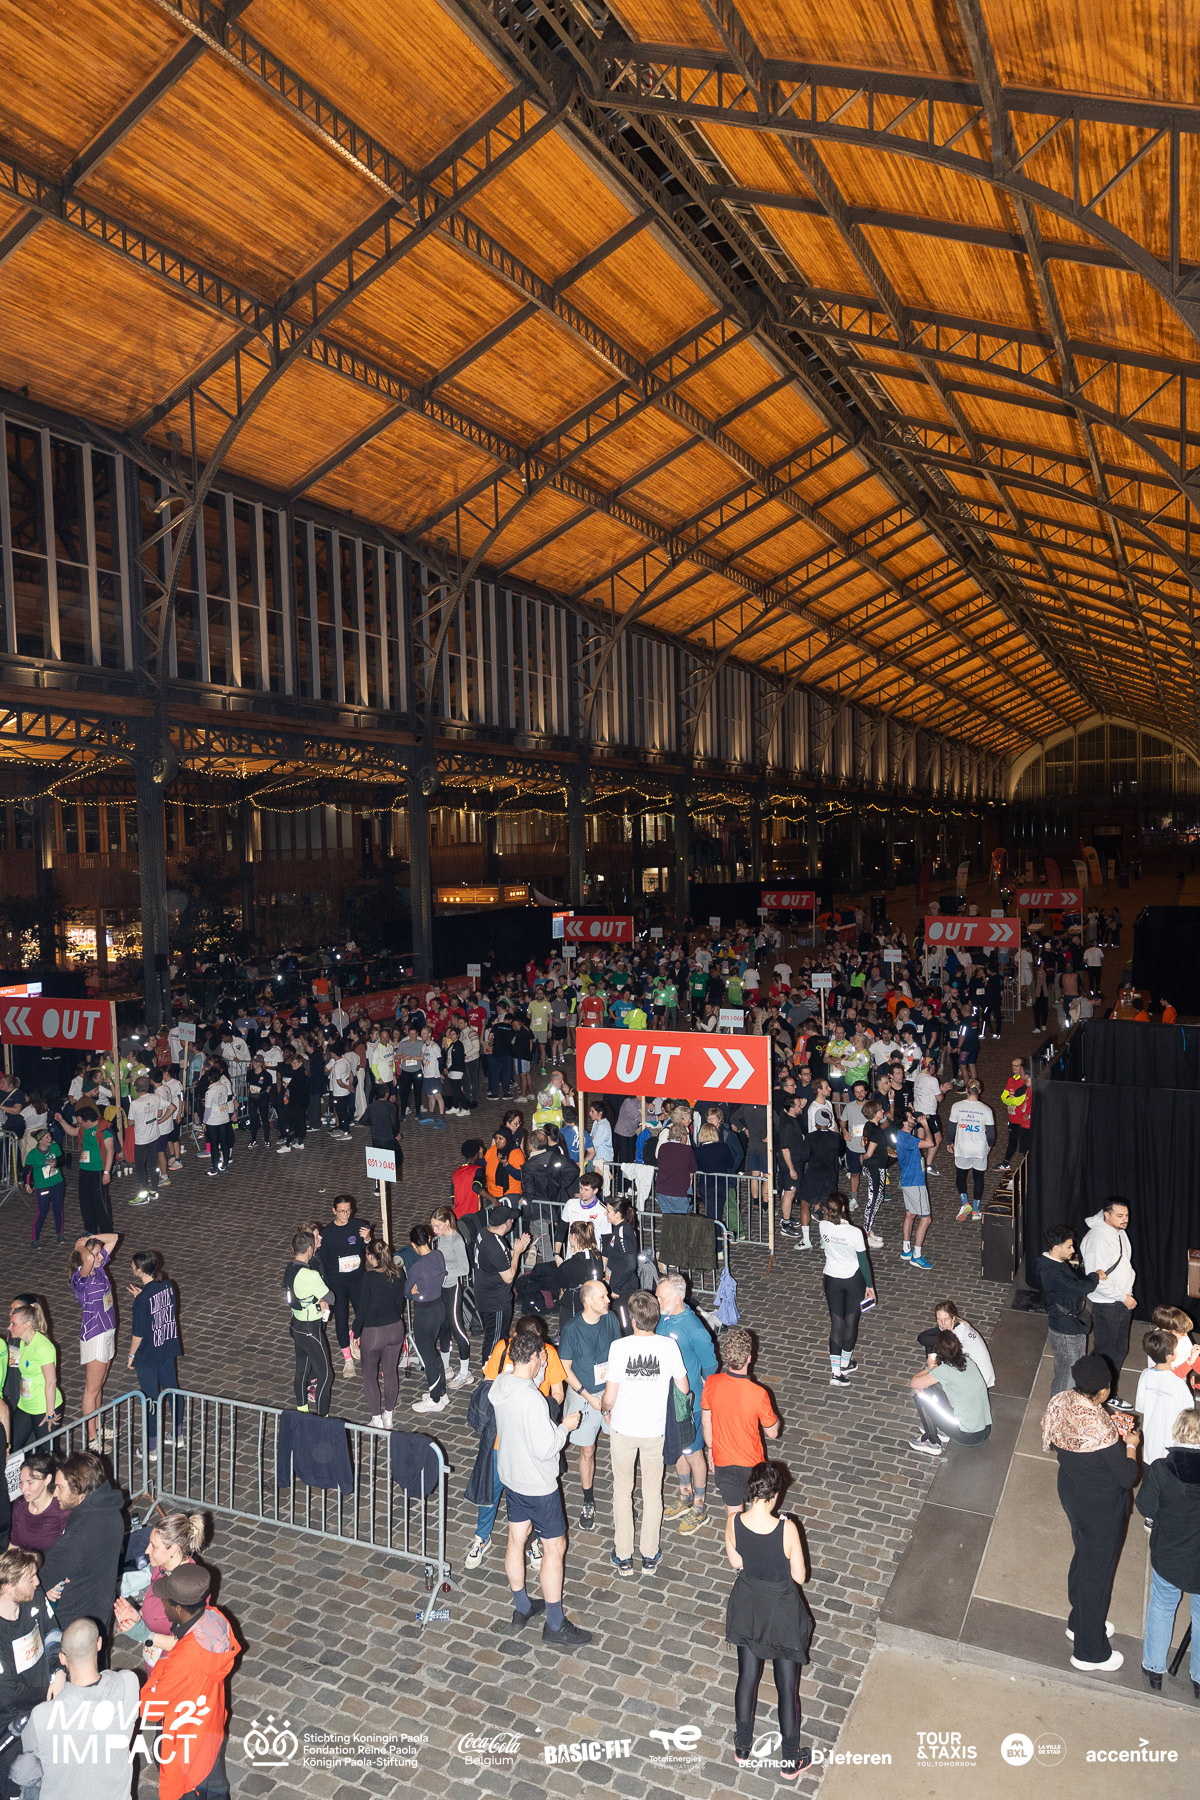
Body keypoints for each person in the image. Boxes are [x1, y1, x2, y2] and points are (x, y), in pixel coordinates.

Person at [489, 1324, 592, 1648]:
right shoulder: (533, 1400)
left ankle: (522, 1607)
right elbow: (547, 1448)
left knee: (516, 1539)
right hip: (538, 1484)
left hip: (512, 1477)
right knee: (554, 1547)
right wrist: (566, 1426)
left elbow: (521, 1387)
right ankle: (555, 1624)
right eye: (541, 1359)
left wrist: (539, 1373)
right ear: (533, 1358)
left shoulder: (502, 1383)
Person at [1042, 1351, 1139, 1671]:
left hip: (1072, 1492)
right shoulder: (1102, 1431)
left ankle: (1078, 1621)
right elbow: (1127, 1477)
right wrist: (1131, 1445)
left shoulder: (1062, 1401)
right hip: (1100, 1509)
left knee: (1084, 1556)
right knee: (1097, 1575)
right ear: (1103, 1391)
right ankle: (1090, 1651)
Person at [724, 1462, 812, 1780]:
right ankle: (790, 1759)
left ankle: (743, 1746)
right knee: (786, 1687)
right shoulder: (786, 1529)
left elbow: (736, 1562)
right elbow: (800, 1576)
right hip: (782, 1614)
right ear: (775, 1495)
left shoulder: (734, 1521)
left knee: (747, 1677)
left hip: (748, 1607)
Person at [601, 1290, 689, 1578]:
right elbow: (684, 1387)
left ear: (632, 1319)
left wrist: (605, 1409)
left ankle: (624, 1554)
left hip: (624, 1428)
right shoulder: (668, 1347)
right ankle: (649, 1554)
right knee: (653, 1492)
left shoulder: (619, 1347)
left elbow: (610, 1396)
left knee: (622, 1490)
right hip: (655, 1430)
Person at [139, 1563, 239, 1800]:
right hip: (210, 1729)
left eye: (165, 1601)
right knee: (216, 1789)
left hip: (186, 1744)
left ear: (178, 1609)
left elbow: (149, 1708)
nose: (162, 1604)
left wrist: (162, 1664)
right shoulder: (216, 1619)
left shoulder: (184, 1657)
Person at [16, 1614, 140, 1800]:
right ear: (99, 1644)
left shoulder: (43, 1716)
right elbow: (117, 1677)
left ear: (62, 1658)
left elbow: (28, 1763)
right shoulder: (128, 1683)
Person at [1137, 1407, 1200, 1696]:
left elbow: (1145, 1506)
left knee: (1163, 1606)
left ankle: (1154, 1668)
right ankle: (1198, 1679)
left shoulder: (1162, 1469)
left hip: (1169, 1554)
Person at [657, 1275, 718, 1534]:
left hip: (689, 1402)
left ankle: (700, 1507)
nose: (658, 1301)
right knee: (677, 1448)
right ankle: (685, 1495)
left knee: (693, 1453)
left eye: (661, 1297)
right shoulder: (663, 1318)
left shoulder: (694, 1328)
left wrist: (705, 1391)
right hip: (668, 1399)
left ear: (677, 1298)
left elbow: (711, 1365)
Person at [39, 1451, 125, 1632]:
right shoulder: (110, 1510)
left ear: (78, 1488)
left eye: (60, 1487)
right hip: (99, 1608)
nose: (55, 1494)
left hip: (73, 1620)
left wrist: (44, 1585)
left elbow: (41, 1577)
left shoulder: (79, 1535)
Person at [559, 1280, 621, 1532]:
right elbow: (565, 1369)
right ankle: (588, 1500)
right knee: (587, 1450)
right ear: (587, 1301)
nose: (608, 1300)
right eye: (602, 1297)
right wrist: (588, 1396)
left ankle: (622, 1497)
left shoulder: (611, 1319)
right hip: (583, 1395)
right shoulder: (572, 1329)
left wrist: (613, 1394)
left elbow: (618, 1354)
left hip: (611, 1391)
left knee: (621, 1445)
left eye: (607, 1295)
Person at [112, 1509, 207, 1671]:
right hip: (155, 1662)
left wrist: (146, 1635)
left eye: (154, 1547)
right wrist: (138, 1617)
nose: (147, 1551)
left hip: (176, 1668)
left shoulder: (190, 1588)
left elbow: (190, 1643)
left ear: (173, 1549)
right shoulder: (160, 1568)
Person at [702, 1328, 781, 1518]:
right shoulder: (758, 1393)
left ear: (727, 1357)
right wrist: (776, 1418)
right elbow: (772, 1433)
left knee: (733, 1516)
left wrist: (711, 1449)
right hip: (751, 1463)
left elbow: (706, 1422)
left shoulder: (711, 1383)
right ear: (749, 1358)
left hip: (723, 1461)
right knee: (759, 1515)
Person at [0, 1546, 53, 1794]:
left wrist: (59, 1671)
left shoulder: (35, 1596)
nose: (38, 1581)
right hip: (11, 1725)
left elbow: (52, 1630)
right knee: (15, 1781)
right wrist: (51, 1692)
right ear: (8, 1588)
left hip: (44, 1709)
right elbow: (10, 1695)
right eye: (30, 1578)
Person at [1039, 1224, 1106, 1396]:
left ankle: (1065, 1404)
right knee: (1066, 1375)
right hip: (1066, 1331)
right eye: (1069, 1246)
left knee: (1069, 1370)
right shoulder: (1053, 1271)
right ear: (1056, 1248)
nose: (1073, 1250)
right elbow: (1081, 1287)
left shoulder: (1053, 1263)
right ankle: (1058, 1408)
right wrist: (1096, 1275)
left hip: (1070, 1326)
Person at [127, 1251, 182, 1453]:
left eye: (133, 1266)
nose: (132, 1268)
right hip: (166, 1346)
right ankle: (177, 1435)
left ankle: (152, 1446)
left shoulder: (142, 1301)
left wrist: (131, 1356)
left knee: (151, 1398)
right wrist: (142, 1296)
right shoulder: (167, 1286)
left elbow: (138, 1334)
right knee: (173, 1389)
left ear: (140, 1270)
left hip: (148, 1353)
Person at [818, 1194, 874, 1387]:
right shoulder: (855, 1233)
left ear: (827, 1210)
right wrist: (870, 1286)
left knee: (836, 1323)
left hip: (831, 1279)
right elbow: (863, 1261)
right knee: (851, 1321)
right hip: (853, 1280)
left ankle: (835, 1373)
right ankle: (845, 1362)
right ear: (844, 1208)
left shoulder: (823, 1226)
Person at [1081, 1200, 1136, 1395]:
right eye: (1120, 1216)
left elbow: (1124, 1264)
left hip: (1121, 1301)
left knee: (1118, 1350)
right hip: (1107, 1304)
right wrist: (1123, 1297)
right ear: (1106, 1215)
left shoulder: (1119, 1232)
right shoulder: (1097, 1239)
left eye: (1126, 1215)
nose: (1125, 1220)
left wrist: (1126, 1293)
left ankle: (1108, 1393)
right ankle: (1092, 1394)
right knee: (1104, 1353)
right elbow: (1096, 1279)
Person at [68, 1233, 119, 1447]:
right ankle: (91, 1437)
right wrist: (81, 1246)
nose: (100, 1257)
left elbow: (114, 1238)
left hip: (108, 1330)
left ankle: (96, 1426)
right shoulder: (80, 1278)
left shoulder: (99, 1268)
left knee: (100, 1385)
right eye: (96, 1254)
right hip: (95, 1334)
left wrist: (92, 1237)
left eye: (99, 1254)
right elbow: (88, 1258)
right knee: (92, 1388)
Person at [908, 1329, 992, 1456]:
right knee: (936, 1385)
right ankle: (944, 1429)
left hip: (969, 1436)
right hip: (985, 1429)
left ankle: (931, 1441)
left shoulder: (945, 1371)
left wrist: (931, 1367)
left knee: (922, 1395)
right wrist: (935, 1370)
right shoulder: (968, 1361)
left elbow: (914, 1383)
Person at [318, 1194, 369, 1381]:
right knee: (341, 1317)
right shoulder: (327, 1233)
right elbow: (323, 1260)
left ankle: (356, 1338)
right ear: (334, 1211)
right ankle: (348, 1359)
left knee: (363, 1313)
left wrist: (367, 1239)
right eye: (341, 1211)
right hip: (336, 1281)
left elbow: (368, 1251)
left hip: (356, 1278)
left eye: (348, 1210)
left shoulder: (359, 1226)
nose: (345, 1214)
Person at [283, 1230, 333, 1416]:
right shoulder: (310, 1275)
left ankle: (302, 1411)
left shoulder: (290, 1268)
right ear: (310, 1249)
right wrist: (320, 1298)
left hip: (296, 1325)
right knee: (326, 1376)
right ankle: (322, 1418)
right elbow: (331, 1297)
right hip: (310, 1328)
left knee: (301, 1371)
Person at [472, 1208, 531, 1364]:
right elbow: (509, 1277)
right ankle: (489, 1372)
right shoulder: (495, 1247)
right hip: (496, 1302)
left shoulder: (485, 1233)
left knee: (495, 1337)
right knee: (495, 1340)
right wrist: (517, 1253)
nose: (513, 1221)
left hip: (484, 1295)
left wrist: (517, 1249)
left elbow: (500, 1258)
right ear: (504, 1225)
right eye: (511, 1219)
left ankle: (498, 1367)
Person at [404, 1225, 449, 1415]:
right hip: (439, 1308)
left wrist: (415, 1292)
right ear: (429, 1238)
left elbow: (406, 1291)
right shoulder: (438, 1255)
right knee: (433, 1351)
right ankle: (441, 1392)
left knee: (427, 1355)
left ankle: (435, 1399)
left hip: (424, 1314)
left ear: (413, 1245)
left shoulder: (417, 1268)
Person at [1135, 1329, 1194, 1467]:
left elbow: (1141, 1407)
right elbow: (1188, 1415)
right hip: (1172, 1445)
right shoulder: (1179, 1383)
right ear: (1170, 1356)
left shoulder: (1145, 1375)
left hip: (1150, 1444)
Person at [11, 1303, 61, 1451]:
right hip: (25, 1405)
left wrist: (50, 1414)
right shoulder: (23, 1342)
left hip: (43, 1407)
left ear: (27, 1324)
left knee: (48, 1453)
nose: (9, 1327)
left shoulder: (43, 1347)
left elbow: (51, 1382)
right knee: (11, 1446)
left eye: (13, 1324)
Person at [948, 1081, 993, 1223]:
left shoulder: (957, 1106)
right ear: (979, 1091)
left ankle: (965, 1202)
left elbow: (951, 1128)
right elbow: (991, 1134)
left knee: (961, 1176)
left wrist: (949, 1142)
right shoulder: (986, 1110)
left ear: (966, 1090)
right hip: (979, 1149)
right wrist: (989, 1146)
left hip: (962, 1147)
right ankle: (975, 1210)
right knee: (978, 1178)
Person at [894, 1111, 933, 1269]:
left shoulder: (902, 1136)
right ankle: (916, 1256)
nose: (914, 1119)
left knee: (910, 1214)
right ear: (904, 1122)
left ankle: (906, 1250)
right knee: (926, 1218)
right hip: (915, 1182)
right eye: (911, 1117)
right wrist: (925, 1125)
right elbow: (930, 1143)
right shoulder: (907, 1139)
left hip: (907, 1180)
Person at [9, 1451, 67, 1554]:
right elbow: (14, 1544)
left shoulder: (61, 1511)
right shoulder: (20, 1504)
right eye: (21, 1482)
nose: (23, 1489)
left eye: (30, 1482)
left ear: (47, 1479)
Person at [71, 1102, 115, 1234]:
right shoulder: (84, 1129)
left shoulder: (104, 1131)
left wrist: (106, 1172)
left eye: (81, 1122)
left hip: (98, 1170)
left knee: (100, 1202)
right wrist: (61, 1121)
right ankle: (90, 1229)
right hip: (85, 1169)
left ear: (88, 1121)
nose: (79, 1125)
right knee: (85, 1201)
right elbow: (72, 1131)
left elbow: (110, 1152)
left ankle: (106, 1231)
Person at [25, 1128, 66, 1244]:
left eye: (50, 1136)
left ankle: (60, 1234)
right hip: (42, 1186)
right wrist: (27, 1183)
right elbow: (27, 1171)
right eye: (46, 1137)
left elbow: (62, 1161)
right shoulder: (32, 1154)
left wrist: (56, 1163)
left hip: (57, 1183)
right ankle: (35, 1238)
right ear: (40, 1141)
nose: (50, 1139)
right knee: (42, 1212)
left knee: (58, 1209)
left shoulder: (55, 1147)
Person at [997, 1059, 1032, 1171]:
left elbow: (1017, 1101)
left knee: (1025, 1145)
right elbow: (1003, 1097)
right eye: (1013, 1065)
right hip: (1012, 1118)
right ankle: (1006, 1162)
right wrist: (1010, 1100)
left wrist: (1010, 1100)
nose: (1014, 1068)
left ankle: (1028, 1167)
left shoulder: (1025, 1082)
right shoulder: (1010, 1080)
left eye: (1016, 1066)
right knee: (1012, 1141)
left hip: (1023, 1120)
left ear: (1022, 1067)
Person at [201, 1061, 234, 1176]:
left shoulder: (210, 1092)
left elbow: (208, 1109)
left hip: (213, 1120)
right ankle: (225, 1164)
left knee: (214, 1144)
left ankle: (215, 1168)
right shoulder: (223, 1087)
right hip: (224, 1118)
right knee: (224, 1142)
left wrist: (204, 1123)